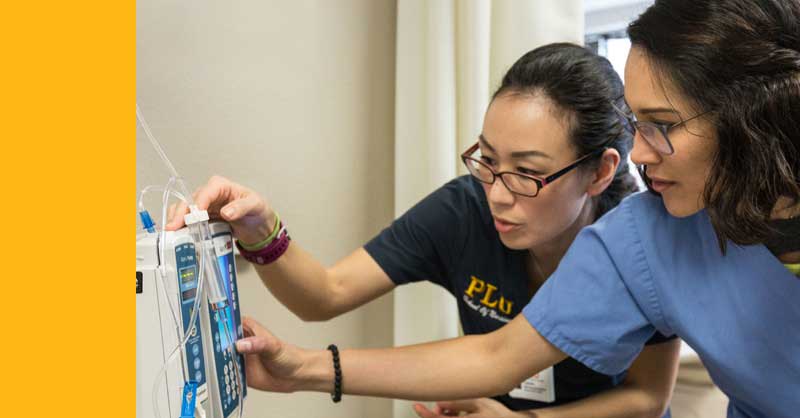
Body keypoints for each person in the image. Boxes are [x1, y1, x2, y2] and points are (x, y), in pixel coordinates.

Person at [224, 1, 800, 418]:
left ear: (750, 117)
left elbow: (648, 398)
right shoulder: (646, 238)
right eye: (489, 162)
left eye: (664, 126)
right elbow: (500, 354)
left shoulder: (636, 220)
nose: (641, 153)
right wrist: (299, 367)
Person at [168, 43, 681, 417]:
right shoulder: (466, 210)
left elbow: (648, 397)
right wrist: (260, 228)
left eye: (526, 172)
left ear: (599, 171)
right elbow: (326, 294)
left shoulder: (634, 248)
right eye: (488, 159)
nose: (498, 193)